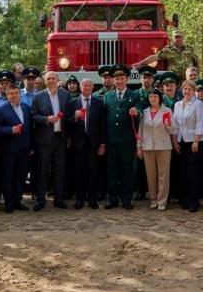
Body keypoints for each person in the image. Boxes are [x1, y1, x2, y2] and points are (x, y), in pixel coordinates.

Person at [30, 71, 70, 211]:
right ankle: (40, 199)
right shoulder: (38, 96)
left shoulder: (65, 95)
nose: (51, 80)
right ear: (44, 81)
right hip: (44, 138)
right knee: (42, 169)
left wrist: (69, 137)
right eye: (48, 78)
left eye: (53, 78)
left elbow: (69, 117)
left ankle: (58, 198)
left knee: (60, 169)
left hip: (61, 138)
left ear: (57, 80)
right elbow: (33, 116)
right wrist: (46, 119)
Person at [103, 65, 140, 209]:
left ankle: (126, 199)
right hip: (111, 139)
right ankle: (112, 199)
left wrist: (137, 111)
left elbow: (141, 109)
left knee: (127, 171)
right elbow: (104, 117)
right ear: (113, 80)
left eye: (122, 78)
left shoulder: (134, 95)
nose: (119, 81)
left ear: (127, 79)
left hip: (127, 139)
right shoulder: (107, 96)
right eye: (116, 79)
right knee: (112, 171)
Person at [67, 78, 106, 209]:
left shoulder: (99, 103)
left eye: (89, 85)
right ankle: (79, 199)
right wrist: (75, 117)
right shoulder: (72, 103)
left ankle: (92, 199)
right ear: (80, 87)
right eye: (85, 86)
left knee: (94, 172)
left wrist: (102, 143)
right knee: (78, 172)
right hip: (78, 143)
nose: (87, 88)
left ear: (93, 87)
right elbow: (67, 123)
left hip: (93, 143)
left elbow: (102, 124)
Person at [0, 83, 33, 213]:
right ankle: (8, 203)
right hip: (9, 150)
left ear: (20, 94)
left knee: (20, 176)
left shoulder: (26, 108)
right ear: (7, 95)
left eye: (16, 93)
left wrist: (30, 146)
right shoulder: (1, 109)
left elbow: (30, 129)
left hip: (24, 149)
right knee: (8, 176)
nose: (14, 96)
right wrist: (10, 130)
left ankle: (17, 200)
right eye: (11, 94)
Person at [172, 79, 203, 213]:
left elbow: (200, 123)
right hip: (181, 141)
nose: (187, 91)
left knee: (194, 173)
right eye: (185, 89)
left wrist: (196, 141)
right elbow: (174, 124)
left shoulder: (198, 105)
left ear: (193, 91)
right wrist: (174, 141)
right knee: (183, 172)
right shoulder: (178, 105)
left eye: (189, 89)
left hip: (194, 142)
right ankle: (184, 199)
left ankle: (194, 201)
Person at [137, 89, 174, 210]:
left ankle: (162, 201)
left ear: (159, 98)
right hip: (148, 146)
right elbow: (140, 131)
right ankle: (153, 199)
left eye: (155, 97)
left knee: (163, 175)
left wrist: (169, 125)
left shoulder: (167, 110)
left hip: (163, 146)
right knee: (151, 175)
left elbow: (173, 130)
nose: (152, 99)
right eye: (151, 97)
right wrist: (139, 147)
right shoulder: (145, 112)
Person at [132, 30, 199, 81]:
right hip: (174, 81)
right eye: (176, 37)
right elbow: (154, 57)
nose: (178, 39)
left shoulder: (190, 49)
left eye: (180, 37)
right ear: (172, 39)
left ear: (183, 38)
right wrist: (140, 63)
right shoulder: (168, 50)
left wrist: (196, 75)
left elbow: (196, 63)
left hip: (188, 80)